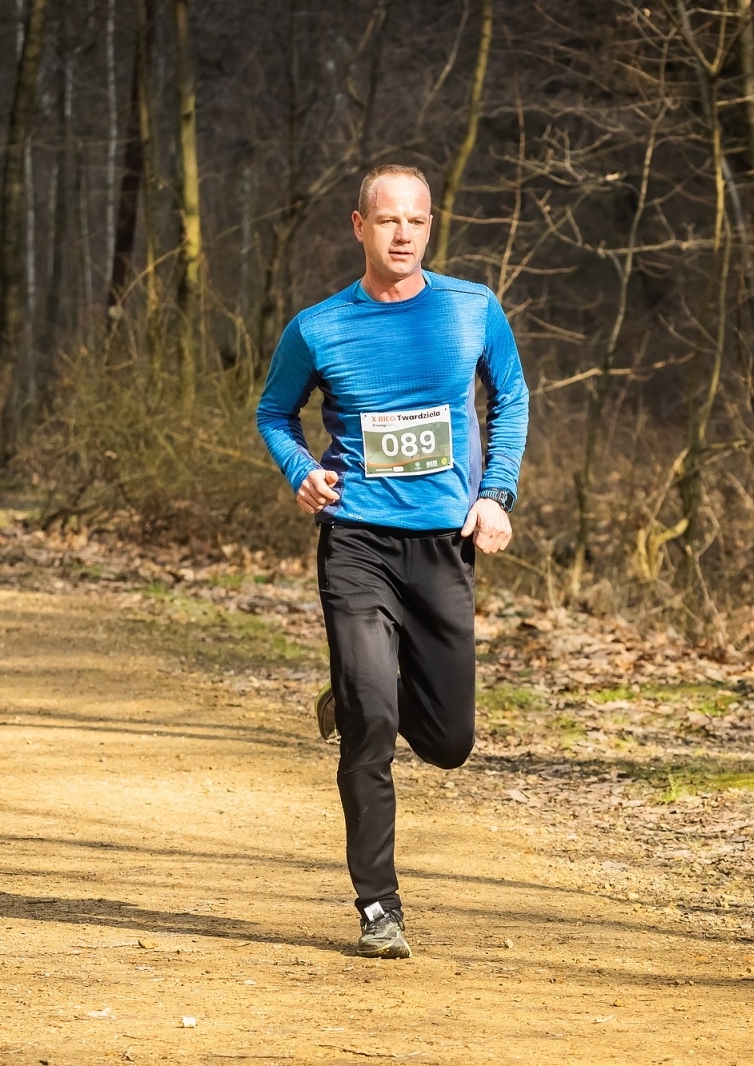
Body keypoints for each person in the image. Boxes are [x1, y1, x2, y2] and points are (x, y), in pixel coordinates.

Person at [256, 164, 529, 959]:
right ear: (359, 227)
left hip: (444, 542)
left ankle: (357, 688)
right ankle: (379, 906)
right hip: (357, 541)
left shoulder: (473, 310)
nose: (403, 232)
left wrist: (496, 492)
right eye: (388, 220)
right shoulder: (318, 327)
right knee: (375, 723)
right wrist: (302, 471)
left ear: (430, 227)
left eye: (417, 220)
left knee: (448, 743)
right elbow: (276, 412)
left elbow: (509, 394)